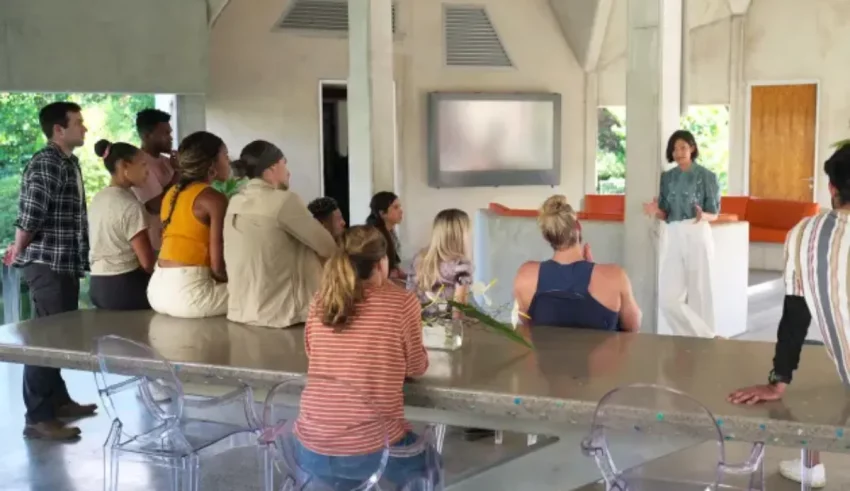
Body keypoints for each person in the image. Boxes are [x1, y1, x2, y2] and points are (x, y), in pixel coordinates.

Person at [727, 145, 850, 489]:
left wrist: (778, 380)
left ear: (831, 188)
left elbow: (796, 315)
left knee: (813, 359)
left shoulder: (804, 235)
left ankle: (811, 465)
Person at [295, 225, 435, 486]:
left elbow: (312, 352)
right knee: (430, 465)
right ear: (382, 264)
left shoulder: (321, 300)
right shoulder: (401, 303)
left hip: (310, 446)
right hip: (369, 450)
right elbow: (416, 367)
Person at [3, 102, 97, 440]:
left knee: (56, 337)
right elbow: (31, 215)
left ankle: (58, 402)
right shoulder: (46, 163)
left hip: (63, 264)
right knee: (43, 340)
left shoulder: (67, 162)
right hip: (47, 265)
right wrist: (18, 248)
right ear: (59, 129)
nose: (85, 128)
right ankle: (38, 418)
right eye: (78, 123)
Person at [224, 141, 337, 328]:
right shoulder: (284, 200)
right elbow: (328, 247)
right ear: (273, 166)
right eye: (285, 164)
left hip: (241, 311)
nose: (288, 172)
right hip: (280, 315)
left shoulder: (235, 202)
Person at [514, 195, 641, 332]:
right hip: (601, 353)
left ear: (546, 236)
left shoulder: (525, 276)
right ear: (578, 227)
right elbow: (633, 326)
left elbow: (528, 325)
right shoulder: (615, 276)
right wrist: (592, 270)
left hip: (550, 353)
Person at [643, 130, 720, 338]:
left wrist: (702, 215)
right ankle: (705, 336)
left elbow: (714, 214)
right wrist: (654, 211)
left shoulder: (707, 176)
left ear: (692, 148)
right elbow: (666, 213)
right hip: (673, 232)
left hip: (697, 231)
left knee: (701, 291)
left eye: (683, 147)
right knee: (668, 297)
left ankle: (702, 342)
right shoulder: (667, 178)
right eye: (675, 149)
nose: (679, 152)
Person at [147, 131, 231, 318]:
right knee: (258, 291)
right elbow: (217, 268)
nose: (229, 161)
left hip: (156, 291)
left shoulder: (171, 194)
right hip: (188, 295)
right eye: (225, 155)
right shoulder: (214, 199)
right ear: (212, 165)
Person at [88, 140, 155, 310]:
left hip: (97, 285)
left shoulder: (98, 199)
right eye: (143, 165)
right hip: (125, 287)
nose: (148, 171)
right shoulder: (130, 205)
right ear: (125, 166)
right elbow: (147, 263)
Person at [132, 109, 176, 251]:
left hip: (173, 239)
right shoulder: (138, 165)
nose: (170, 138)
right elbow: (157, 205)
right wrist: (179, 173)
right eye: (165, 133)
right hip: (153, 245)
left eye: (170, 133)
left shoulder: (168, 162)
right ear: (147, 136)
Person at [366, 191, 405, 279]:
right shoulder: (375, 236)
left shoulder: (390, 232)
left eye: (400, 207)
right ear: (382, 213)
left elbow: (394, 264)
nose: (401, 211)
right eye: (395, 207)